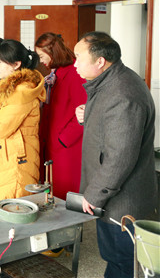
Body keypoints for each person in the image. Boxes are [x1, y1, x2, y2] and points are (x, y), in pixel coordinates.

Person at [73, 31, 157, 278]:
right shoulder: (111, 82)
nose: (75, 64)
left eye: (78, 57)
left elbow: (120, 156)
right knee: (116, 260)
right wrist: (88, 115)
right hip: (115, 196)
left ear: (100, 61)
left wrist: (94, 194)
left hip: (122, 203)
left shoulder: (122, 93)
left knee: (123, 263)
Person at [0, 39, 45, 203]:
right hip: (5, 154)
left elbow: (0, 129)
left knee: (10, 205)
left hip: (13, 159)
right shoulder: (11, 87)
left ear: (16, 64)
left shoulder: (21, 92)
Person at [35, 32, 86, 202]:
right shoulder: (56, 73)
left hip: (66, 146)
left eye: (42, 56)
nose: (41, 60)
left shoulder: (75, 73)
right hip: (52, 141)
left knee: (64, 194)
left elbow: (84, 112)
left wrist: (63, 139)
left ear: (52, 53)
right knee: (52, 192)